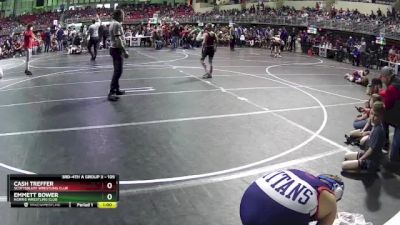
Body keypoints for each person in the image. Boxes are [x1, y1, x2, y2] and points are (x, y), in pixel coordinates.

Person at [240, 169, 344, 225]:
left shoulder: (296, 171)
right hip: (264, 216)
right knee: (327, 212)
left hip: (247, 207)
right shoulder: (329, 198)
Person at [342, 101, 386, 172]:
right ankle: (360, 165)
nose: (373, 117)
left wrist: (361, 159)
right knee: (346, 156)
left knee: (344, 165)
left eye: (376, 115)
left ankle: (367, 169)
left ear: (381, 116)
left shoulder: (378, 131)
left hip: (370, 161)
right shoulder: (375, 125)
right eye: (372, 114)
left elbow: (370, 151)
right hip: (367, 154)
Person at [379, 66, 400, 161]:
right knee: (385, 118)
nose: (381, 80)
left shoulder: (392, 87)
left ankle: (385, 144)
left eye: (382, 77)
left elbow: (387, 105)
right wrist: (384, 93)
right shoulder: (396, 80)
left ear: (386, 77)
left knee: (393, 157)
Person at [108, 9, 129, 102]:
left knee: (117, 71)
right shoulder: (116, 24)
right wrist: (124, 51)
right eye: (123, 15)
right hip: (116, 49)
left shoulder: (113, 23)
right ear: (119, 15)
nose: (124, 17)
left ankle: (116, 89)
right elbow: (118, 39)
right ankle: (111, 92)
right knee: (118, 72)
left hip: (114, 49)